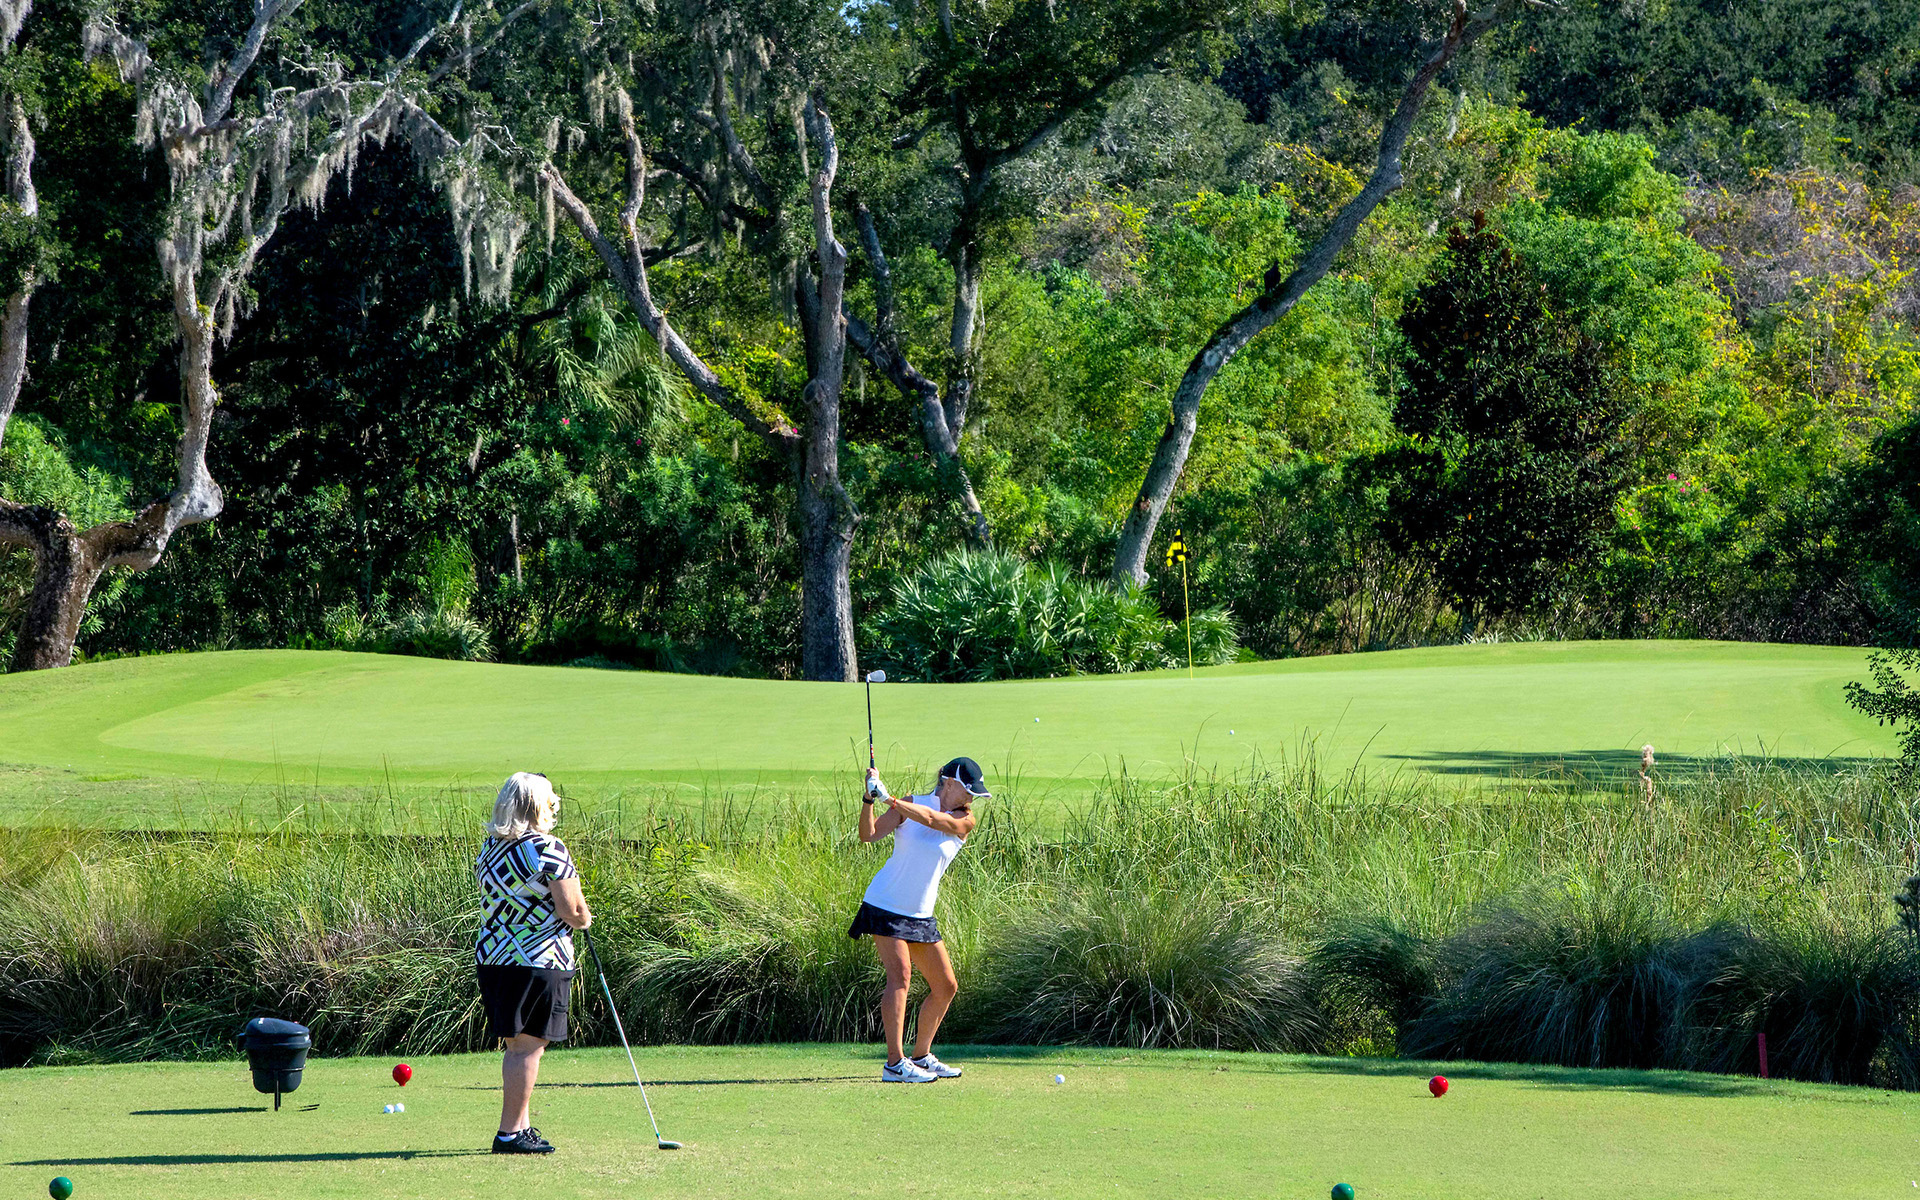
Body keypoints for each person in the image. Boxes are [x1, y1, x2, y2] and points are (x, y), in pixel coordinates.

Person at [847, 756, 987, 1082]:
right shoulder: (912, 802)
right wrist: (869, 798)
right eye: (968, 790)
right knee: (900, 977)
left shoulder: (965, 819)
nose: (971, 798)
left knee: (946, 987)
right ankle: (894, 1064)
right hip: (886, 903)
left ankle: (921, 1056)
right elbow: (869, 835)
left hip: (920, 914)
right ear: (948, 782)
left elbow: (934, 820)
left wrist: (890, 799)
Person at [474, 771, 592, 1154]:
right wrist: (585, 919)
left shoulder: (489, 849)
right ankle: (509, 1133)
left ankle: (521, 1127)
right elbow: (572, 909)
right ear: (539, 806)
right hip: (537, 958)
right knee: (526, 1046)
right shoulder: (548, 848)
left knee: (519, 1045)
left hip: (495, 958)